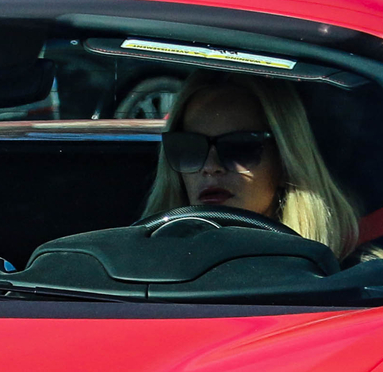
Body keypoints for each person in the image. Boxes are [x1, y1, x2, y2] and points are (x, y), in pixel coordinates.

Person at [139, 73, 359, 257]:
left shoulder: (350, 281)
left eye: (239, 147)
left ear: (285, 161)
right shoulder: (146, 261)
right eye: (189, 148)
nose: (210, 166)